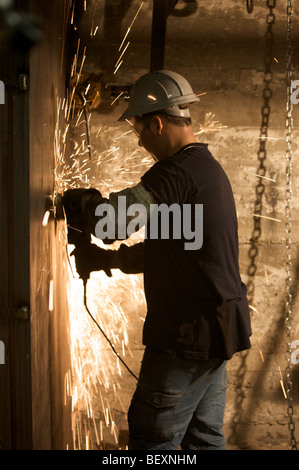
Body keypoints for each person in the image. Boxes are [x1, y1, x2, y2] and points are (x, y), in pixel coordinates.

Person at [62, 70, 252, 450]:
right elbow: (167, 246)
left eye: (140, 132)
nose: (140, 143)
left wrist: (83, 203)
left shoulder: (174, 173)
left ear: (159, 122)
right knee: (203, 440)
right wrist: (105, 261)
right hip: (217, 331)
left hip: (185, 337)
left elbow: (111, 221)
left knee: (152, 440)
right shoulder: (206, 172)